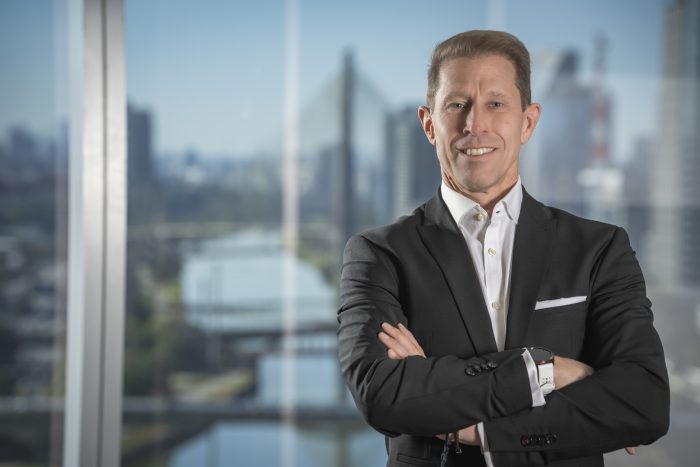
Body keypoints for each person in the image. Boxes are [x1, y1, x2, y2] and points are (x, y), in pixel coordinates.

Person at [336, 30, 669, 467]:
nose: (475, 124)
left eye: (496, 104)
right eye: (457, 105)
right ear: (429, 124)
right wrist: (546, 372)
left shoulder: (599, 249)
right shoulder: (379, 255)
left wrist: (473, 427)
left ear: (528, 122)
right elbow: (383, 394)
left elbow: (643, 401)